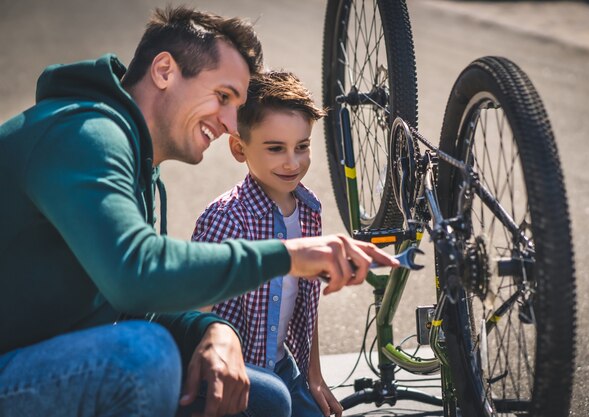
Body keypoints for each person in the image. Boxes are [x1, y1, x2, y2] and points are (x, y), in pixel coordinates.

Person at [0, 5, 399, 417]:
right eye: (223, 97)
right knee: (144, 355)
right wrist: (290, 255)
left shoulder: (138, 167)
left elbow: (133, 309)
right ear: (164, 71)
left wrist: (213, 330)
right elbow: (135, 276)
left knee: (264, 395)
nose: (230, 122)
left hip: (45, 361)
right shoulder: (82, 134)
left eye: (237, 105)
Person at [192, 70, 342, 416]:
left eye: (302, 147)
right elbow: (194, 313)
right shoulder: (225, 218)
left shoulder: (308, 210)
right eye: (275, 149)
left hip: (283, 368)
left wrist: (313, 375)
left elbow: (308, 302)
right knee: (274, 402)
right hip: (233, 376)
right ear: (238, 148)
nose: (293, 162)